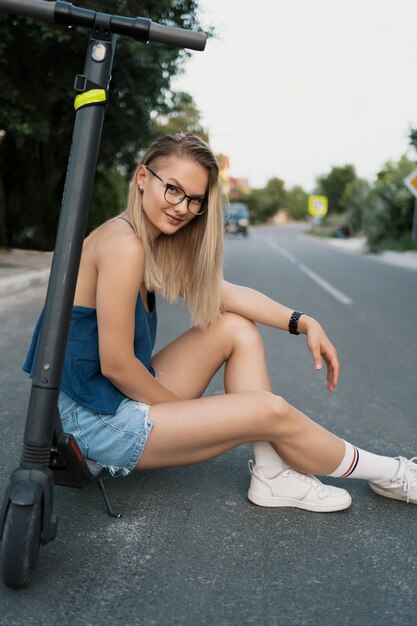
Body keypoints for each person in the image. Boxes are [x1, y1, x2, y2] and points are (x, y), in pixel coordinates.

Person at [24, 133, 417, 512]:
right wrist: (180, 412)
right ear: (143, 177)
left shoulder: (143, 237)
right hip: (93, 421)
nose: (182, 207)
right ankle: (393, 473)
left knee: (234, 327)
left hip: (101, 400)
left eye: (194, 200)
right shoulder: (123, 245)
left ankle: (272, 475)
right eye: (173, 189)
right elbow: (116, 364)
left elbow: (226, 294)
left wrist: (303, 321)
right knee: (269, 411)